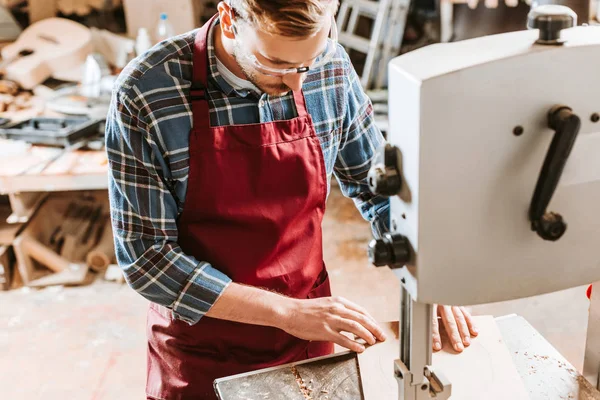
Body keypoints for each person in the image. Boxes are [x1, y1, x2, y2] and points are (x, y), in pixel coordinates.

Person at [105, 1, 478, 398]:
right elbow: (147, 259)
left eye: (309, 62)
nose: (297, 84)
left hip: (308, 337)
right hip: (203, 349)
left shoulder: (331, 69)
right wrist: (286, 313)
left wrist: (430, 276)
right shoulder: (148, 92)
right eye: (276, 63)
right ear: (229, 19)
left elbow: (379, 190)